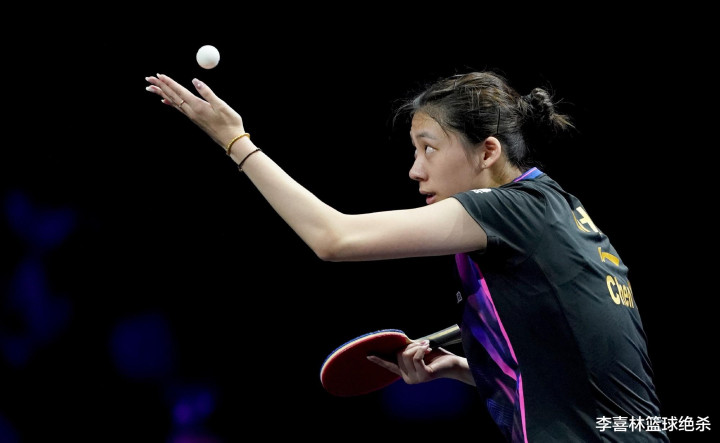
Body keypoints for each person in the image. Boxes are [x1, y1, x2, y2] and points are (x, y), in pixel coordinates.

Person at [145, 70, 668, 442]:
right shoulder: (559, 211)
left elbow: (334, 238)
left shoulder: (513, 210)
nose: (415, 170)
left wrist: (235, 141)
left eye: (429, 148)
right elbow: (578, 371)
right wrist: (469, 368)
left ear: (487, 152)